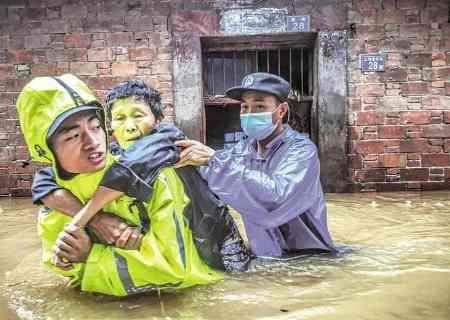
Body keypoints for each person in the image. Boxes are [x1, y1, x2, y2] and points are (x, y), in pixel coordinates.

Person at [16, 74, 231, 297]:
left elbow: (174, 269)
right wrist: (94, 224)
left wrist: (91, 256)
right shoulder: (53, 196)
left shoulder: (159, 173)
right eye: (73, 136)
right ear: (45, 149)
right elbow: (59, 265)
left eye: (96, 127)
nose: (92, 142)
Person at [175, 72, 337, 258]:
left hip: (309, 259)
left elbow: (275, 198)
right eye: (245, 107)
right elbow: (207, 174)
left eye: (259, 106)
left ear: (281, 111)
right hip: (265, 258)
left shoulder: (301, 151)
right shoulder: (242, 150)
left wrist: (214, 161)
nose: (249, 113)